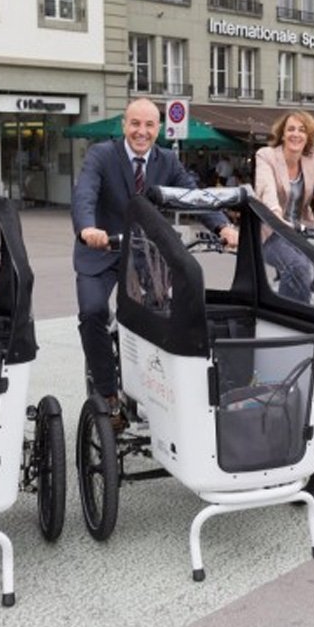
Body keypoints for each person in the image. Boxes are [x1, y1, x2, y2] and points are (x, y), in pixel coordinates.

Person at [72, 97, 238, 426]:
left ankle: (154, 389)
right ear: (124, 125)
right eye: (135, 123)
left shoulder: (167, 161)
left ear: (158, 128)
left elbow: (192, 194)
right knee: (93, 312)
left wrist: (222, 225)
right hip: (101, 250)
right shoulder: (101, 155)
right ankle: (107, 393)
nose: (141, 131)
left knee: (161, 317)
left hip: (144, 255)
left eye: (149, 125)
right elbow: (85, 192)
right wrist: (88, 228)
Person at [254, 110, 314, 302]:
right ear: (282, 134)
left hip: (298, 233)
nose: (296, 134)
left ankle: (286, 307)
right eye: (291, 129)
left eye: (302, 130)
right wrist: (275, 215)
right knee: (299, 267)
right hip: (271, 231)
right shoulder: (266, 155)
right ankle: (294, 318)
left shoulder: (312, 158)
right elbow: (266, 188)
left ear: (308, 136)